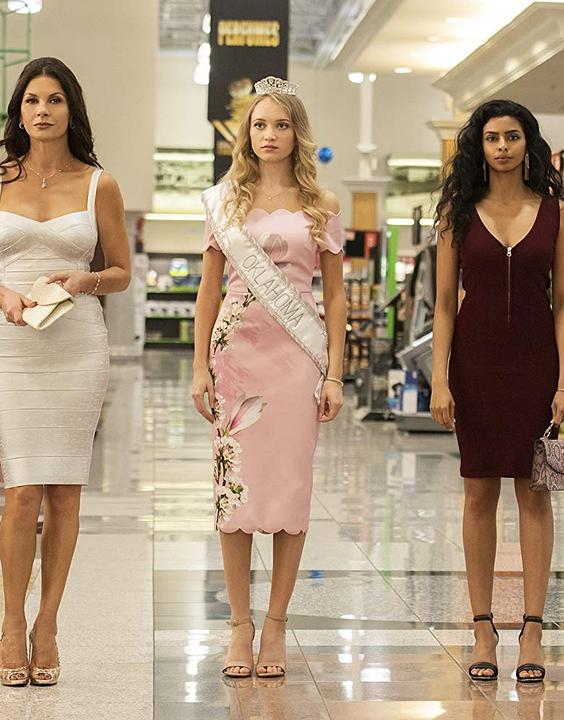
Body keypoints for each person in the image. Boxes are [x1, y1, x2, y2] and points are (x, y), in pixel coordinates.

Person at [0, 56, 131, 687]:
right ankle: (10, 622)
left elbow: (121, 272)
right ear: (19, 111)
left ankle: (48, 623)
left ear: (70, 109)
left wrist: (86, 280)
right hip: (13, 345)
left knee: (65, 492)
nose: (42, 110)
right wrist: (1, 295)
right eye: (32, 100)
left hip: (77, 343)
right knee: (22, 489)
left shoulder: (99, 185)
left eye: (54, 99)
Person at [191, 77, 347, 679]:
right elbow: (208, 291)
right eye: (260, 125)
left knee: (289, 490)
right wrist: (200, 365)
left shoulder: (322, 204)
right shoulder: (224, 202)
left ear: (296, 133)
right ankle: (240, 624)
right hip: (236, 358)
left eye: (281, 124)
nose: (270, 135)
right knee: (234, 492)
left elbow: (335, 298)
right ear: (246, 133)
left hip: (297, 359)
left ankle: (276, 623)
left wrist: (335, 373)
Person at [429, 99, 564, 684]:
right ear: (479, 146)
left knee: (536, 494)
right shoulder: (457, 216)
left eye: (512, 136)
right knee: (478, 492)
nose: (502, 147)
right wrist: (439, 378)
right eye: (492, 138)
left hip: (538, 367)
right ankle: (482, 628)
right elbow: (444, 305)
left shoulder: (557, 215)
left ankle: (533, 628)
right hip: (475, 366)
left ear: (528, 143)